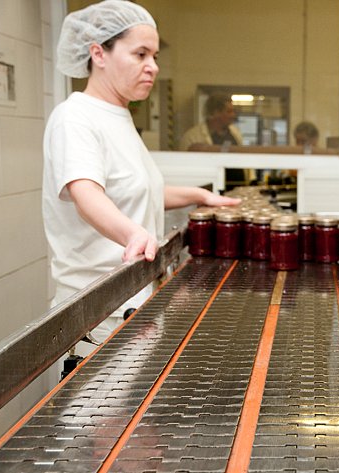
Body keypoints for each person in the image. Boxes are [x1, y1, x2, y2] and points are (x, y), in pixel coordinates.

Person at [43, 0, 240, 348]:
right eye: (140, 55)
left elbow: (136, 189)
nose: (152, 67)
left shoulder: (118, 117)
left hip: (134, 300)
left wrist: (199, 195)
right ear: (98, 54)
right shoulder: (75, 117)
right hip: (97, 312)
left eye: (155, 57)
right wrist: (133, 233)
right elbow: (86, 194)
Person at [179, 94, 244, 152]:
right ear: (216, 113)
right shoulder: (191, 137)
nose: (233, 115)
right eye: (229, 112)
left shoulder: (235, 132)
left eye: (233, 111)